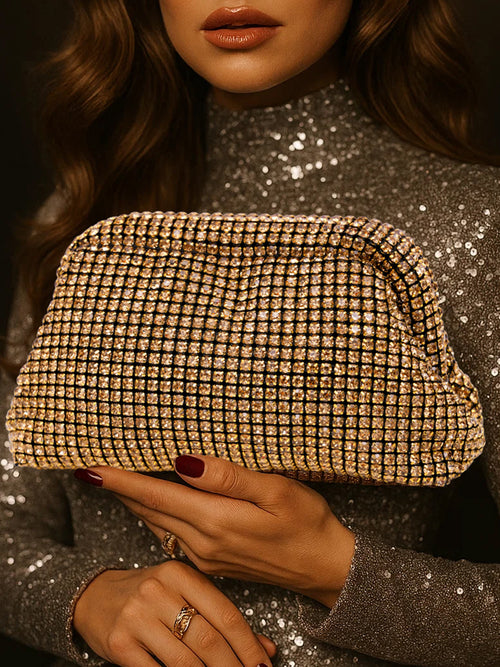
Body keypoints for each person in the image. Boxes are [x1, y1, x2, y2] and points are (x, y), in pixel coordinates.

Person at [1, 1, 499, 665]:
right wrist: (85, 596)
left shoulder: (470, 222)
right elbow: (10, 529)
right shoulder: (85, 214)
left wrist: (336, 570)